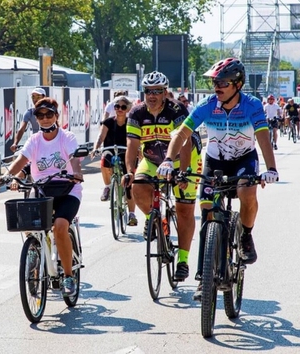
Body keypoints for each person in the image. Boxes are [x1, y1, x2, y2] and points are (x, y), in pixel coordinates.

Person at [157, 58, 278, 300]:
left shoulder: (252, 105)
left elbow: (263, 137)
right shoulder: (207, 104)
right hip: (215, 161)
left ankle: (245, 236)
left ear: (238, 84)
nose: (217, 87)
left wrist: (271, 168)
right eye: (214, 82)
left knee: (246, 192)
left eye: (222, 82)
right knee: (207, 213)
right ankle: (204, 278)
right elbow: (182, 133)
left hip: (244, 159)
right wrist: (168, 160)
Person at [0, 97, 84, 295]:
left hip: (68, 190)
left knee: (60, 227)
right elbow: (21, 161)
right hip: (42, 190)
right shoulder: (34, 140)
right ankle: (35, 260)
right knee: (30, 227)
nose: (44, 119)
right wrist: (7, 176)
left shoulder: (66, 137)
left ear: (56, 116)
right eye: (40, 115)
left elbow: (75, 158)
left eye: (49, 114)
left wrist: (76, 173)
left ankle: (68, 277)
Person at [125, 71, 201, 282]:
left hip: (183, 160)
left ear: (165, 92)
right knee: (137, 186)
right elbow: (131, 147)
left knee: (185, 210)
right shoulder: (136, 113)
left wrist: (184, 173)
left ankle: (183, 261)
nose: (152, 95)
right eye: (148, 91)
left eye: (157, 91)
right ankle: (153, 219)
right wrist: (129, 172)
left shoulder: (177, 110)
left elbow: (184, 143)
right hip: (151, 161)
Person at [92, 95, 135, 215]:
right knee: (104, 160)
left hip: (126, 151)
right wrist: (96, 148)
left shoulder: (131, 123)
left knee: (128, 184)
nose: (119, 109)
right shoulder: (108, 122)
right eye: (117, 106)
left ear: (127, 109)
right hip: (110, 149)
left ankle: (132, 213)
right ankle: (108, 186)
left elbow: (136, 139)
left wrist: (138, 151)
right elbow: (101, 136)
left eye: (123, 107)